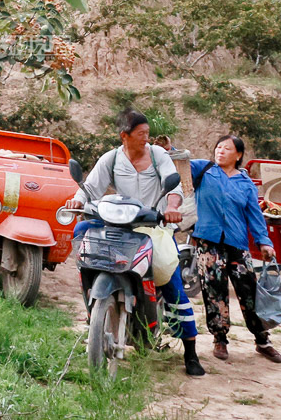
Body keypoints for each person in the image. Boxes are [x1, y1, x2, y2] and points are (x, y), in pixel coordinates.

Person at [65, 108, 205, 377]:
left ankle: (190, 350)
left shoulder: (158, 155)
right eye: (141, 134)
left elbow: (173, 187)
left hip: (154, 226)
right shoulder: (111, 159)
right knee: (82, 229)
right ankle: (94, 309)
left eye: (147, 133)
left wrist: (172, 207)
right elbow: (90, 188)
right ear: (124, 136)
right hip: (120, 224)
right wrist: (76, 201)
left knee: (171, 280)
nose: (146, 138)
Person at [189, 135, 281, 364]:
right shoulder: (203, 170)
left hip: (236, 242)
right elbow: (178, 162)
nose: (220, 151)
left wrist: (264, 242)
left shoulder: (246, 183)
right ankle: (219, 338)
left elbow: (255, 215)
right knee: (213, 289)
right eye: (218, 147)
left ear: (238, 155)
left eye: (227, 148)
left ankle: (262, 340)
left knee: (248, 289)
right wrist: (167, 148)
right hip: (208, 240)